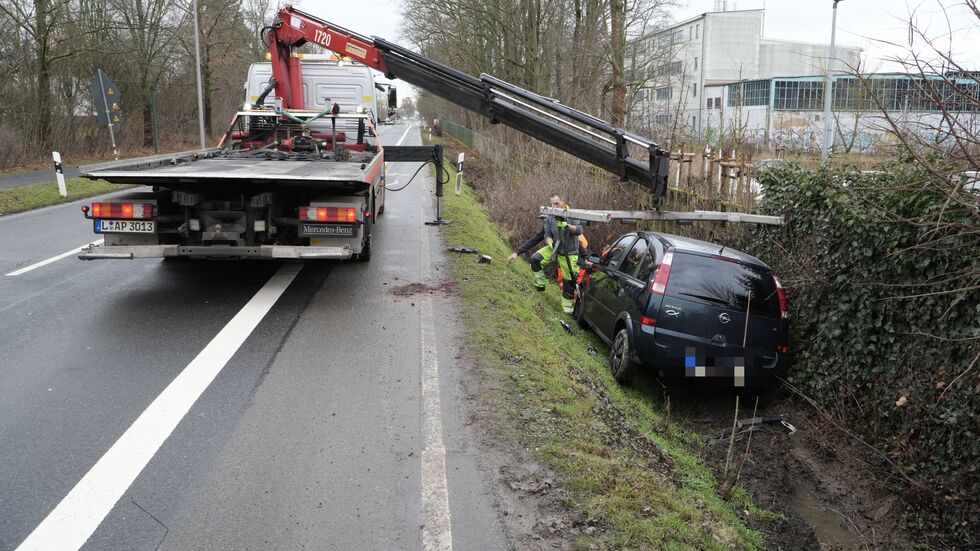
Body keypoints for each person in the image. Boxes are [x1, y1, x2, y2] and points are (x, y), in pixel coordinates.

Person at [507, 194, 583, 314]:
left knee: (568, 282)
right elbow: (546, 234)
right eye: (552, 204)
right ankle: (540, 286)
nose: (554, 206)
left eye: (556, 203)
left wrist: (567, 226)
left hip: (569, 252)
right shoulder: (550, 217)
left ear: (563, 201)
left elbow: (579, 230)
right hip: (555, 248)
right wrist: (550, 243)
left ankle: (568, 311)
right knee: (535, 259)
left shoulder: (572, 214)